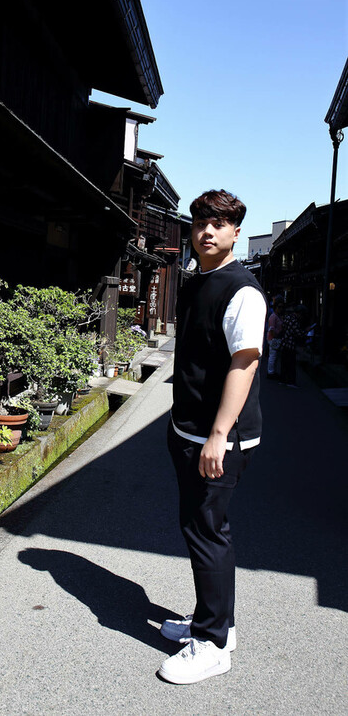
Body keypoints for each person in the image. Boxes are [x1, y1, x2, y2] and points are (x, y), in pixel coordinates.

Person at [158, 189, 266, 685]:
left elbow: (245, 362)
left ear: (236, 232)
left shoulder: (241, 289)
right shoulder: (198, 280)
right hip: (189, 428)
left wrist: (219, 434)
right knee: (199, 530)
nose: (207, 230)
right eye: (201, 220)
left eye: (219, 223)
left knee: (207, 534)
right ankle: (214, 621)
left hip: (216, 438)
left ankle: (214, 644)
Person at [279, 305, 306, 387]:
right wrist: (305, 331)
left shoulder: (287, 317)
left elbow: (283, 327)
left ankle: (283, 379)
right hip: (290, 344)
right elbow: (298, 333)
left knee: (284, 363)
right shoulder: (294, 320)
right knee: (291, 364)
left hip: (284, 342)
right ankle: (290, 381)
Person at [266, 297, 284, 378]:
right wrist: (275, 336)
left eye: (282, 307)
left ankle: (273, 371)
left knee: (275, 356)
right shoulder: (273, 317)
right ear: (275, 307)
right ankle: (270, 372)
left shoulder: (278, 316)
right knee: (273, 356)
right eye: (279, 307)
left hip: (276, 337)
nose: (280, 309)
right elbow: (271, 328)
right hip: (273, 338)